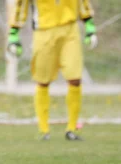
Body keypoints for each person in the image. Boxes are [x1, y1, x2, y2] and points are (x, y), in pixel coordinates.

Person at [7, 0, 97, 140]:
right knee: (42, 81)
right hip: (44, 31)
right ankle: (44, 130)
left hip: (70, 29)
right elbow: (21, 4)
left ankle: (71, 129)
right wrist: (14, 32)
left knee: (75, 78)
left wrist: (89, 24)